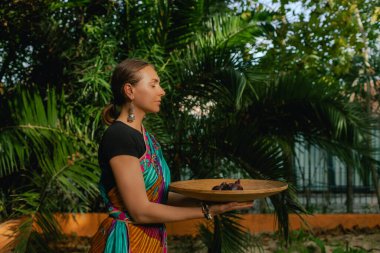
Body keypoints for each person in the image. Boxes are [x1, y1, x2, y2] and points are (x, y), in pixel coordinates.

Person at [89, 58, 253, 253]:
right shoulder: (119, 137)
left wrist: (212, 200)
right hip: (126, 243)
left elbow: (159, 196)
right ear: (130, 90)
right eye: (153, 84)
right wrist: (206, 211)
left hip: (151, 240)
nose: (162, 91)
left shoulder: (146, 138)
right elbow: (140, 211)